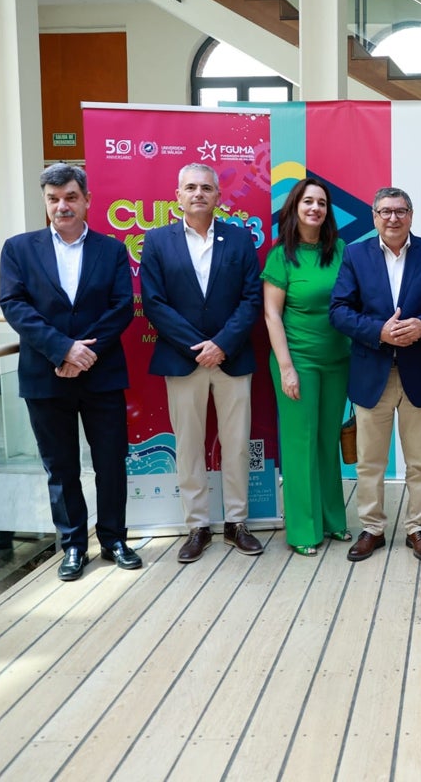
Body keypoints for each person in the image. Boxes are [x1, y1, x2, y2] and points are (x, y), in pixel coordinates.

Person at [0, 163, 140, 581]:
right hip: (46, 375)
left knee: (111, 462)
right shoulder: (18, 249)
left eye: (71, 197)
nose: (62, 206)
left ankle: (114, 538)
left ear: (87, 200)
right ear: (45, 202)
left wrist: (82, 354)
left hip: (102, 373)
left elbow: (121, 307)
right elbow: (15, 305)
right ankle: (74, 545)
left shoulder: (112, 250)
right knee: (61, 467)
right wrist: (62, 350)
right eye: (54, 199)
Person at [329, 187, 421, 563]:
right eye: (385, 211)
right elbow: (338, 310)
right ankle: (372, 528)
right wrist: (377, 331)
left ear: (411, 215)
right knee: (370, 460)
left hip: (420, 372)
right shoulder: (355, 254)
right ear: (373, 217)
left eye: (400, 211)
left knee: (420, 460)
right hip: (372, 372)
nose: (393, 218)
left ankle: (417, 528)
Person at [140, 163, 264, 563]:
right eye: (190, 187)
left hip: (232, 357)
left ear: (218, 196)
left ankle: (237, 523)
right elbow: (154, 304)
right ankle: (197, 526)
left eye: (206, 188)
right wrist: (200, 346)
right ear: (177, 195)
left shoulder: (240, 240)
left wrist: (222, 344)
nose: (198, 194)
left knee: (237, 446)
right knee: (189, 445)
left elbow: (251, 300)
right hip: (183, 359)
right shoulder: (157, 241)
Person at [262, 177, 351, 557]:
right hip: (297, 359)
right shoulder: (282, 254)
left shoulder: (342, 249)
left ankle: (333, 521)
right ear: (295, 207)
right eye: (308, 202)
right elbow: (271, 314)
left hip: (339, 360)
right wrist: (286, 367)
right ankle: (302, 529)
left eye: (322, 203)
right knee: (300, 445)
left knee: (328, 441)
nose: (315, 208)